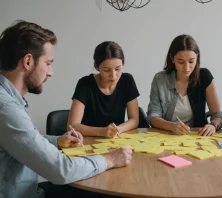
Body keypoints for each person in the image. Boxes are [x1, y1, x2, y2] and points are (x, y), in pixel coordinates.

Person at [0, 20, 132, 198]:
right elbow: (61, 170)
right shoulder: (6, 108)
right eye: (48, 63)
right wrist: (110, 159)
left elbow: (25, 139)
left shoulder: (10, 100)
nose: (50, 72)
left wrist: (57, 141)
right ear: (28, 61)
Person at [147, 34, 222, 136]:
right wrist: (171, 126)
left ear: (197, 57)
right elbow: (153, 116)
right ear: (172, 58)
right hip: (167, 136)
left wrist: (213, 125)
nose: (187, 68)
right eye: (181, 62)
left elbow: (218, 115)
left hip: (197, 136)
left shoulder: (205, 76)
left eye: (191, 61)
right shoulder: (160, 79)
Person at [67, 41, 140, 138]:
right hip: (88, 141)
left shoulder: (127, 80)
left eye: (118, 69)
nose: (113, 76)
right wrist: (102, 131)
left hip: (116, 139)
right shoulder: (85, 84)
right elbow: (72, 126)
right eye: (106, 70)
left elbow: (134, 119)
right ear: (96, 67)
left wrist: (117, 130)